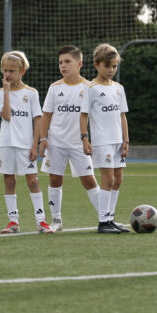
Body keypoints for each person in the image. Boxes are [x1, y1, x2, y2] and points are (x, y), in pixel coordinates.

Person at [38, 45, 101, 232]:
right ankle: (56, 221)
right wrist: (43, 139)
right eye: (60, 62)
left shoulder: (89, 88)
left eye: (67, 61)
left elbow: (94, 117)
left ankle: (105, 217)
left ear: (79, 63)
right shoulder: (55, 87)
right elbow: (47, 115)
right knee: (55, 180)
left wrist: (89, 140)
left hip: (78, 144)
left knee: (89, 180)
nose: (63, 66)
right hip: (56, 143)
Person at [0, 51, 53, 234]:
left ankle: (41, 221)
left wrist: (34, 145)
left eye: (12, 71)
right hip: (6, 144)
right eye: (4, 70)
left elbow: (38, 119)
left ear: (22, 71)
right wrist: (6, 91)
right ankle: (13, 221)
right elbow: (6, 115)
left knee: (33, 181)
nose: (7, 75)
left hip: (25, 145)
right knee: (9, 181)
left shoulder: (31, 93)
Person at [80, 43, 131, 234]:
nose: (111, 70)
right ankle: (103, 222)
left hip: (118, 141)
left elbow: (122, 116)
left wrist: (126, 141)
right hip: (102, 141)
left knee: (118, 180)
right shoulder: (90, 88)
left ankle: (110, 218)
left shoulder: (118, 88)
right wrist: (85, 138)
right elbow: (83, 115)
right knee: (107, 179)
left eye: (114, 66)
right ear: (96, 65)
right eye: (107, 66)